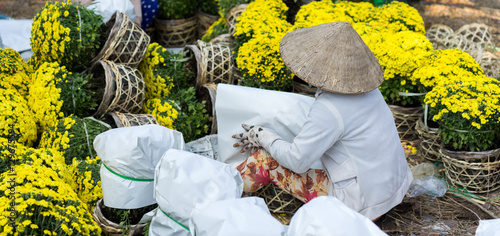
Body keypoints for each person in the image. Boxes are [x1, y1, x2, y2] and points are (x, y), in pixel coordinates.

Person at [232, 21, 413, 221]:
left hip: (359, 206)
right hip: (391, 190)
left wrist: (262, 135)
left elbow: (297, 161)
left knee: (263, 161)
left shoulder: (330, 108)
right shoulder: (368, 89)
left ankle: (223, 195)